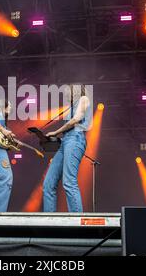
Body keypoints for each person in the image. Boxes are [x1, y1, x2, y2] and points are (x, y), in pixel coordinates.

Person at [42, 84, 91, 212]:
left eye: (69, 91)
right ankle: (49, 220)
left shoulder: (84, 99)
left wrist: (56, 132)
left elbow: (75, 119)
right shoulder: (70, 106)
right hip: (66, 141)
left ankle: (77, 221)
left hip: (75, 139)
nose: (66, 94)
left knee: (69, 181)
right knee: (48, 184)